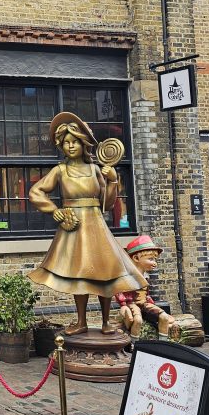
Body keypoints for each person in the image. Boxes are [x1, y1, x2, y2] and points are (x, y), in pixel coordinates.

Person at [27, 112, 146, 336]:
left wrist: (113, 180)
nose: (71, 146)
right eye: (66, 142)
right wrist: (55, 210)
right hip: (73, 228)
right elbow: (36, 192)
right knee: (79, 274)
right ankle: (81, 321)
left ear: (84, 144)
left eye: (75, 142)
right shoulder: (60, 170)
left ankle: (106, 321)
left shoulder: (94, 170)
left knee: (105, 273)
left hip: (96, 225)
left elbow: (107, 204)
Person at [115, 235, 178, 346]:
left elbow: (146, 294)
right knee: (138, 320)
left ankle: (163, 344)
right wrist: (123, 304)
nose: (155, 263)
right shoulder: (127, 277)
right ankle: (134, 345)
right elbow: (119, 291)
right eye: (151, 259)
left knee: (164, 317)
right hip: (132, 304)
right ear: (136, 258)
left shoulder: (145, 276)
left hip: (144, 303)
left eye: (155, 259)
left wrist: (151, 304)